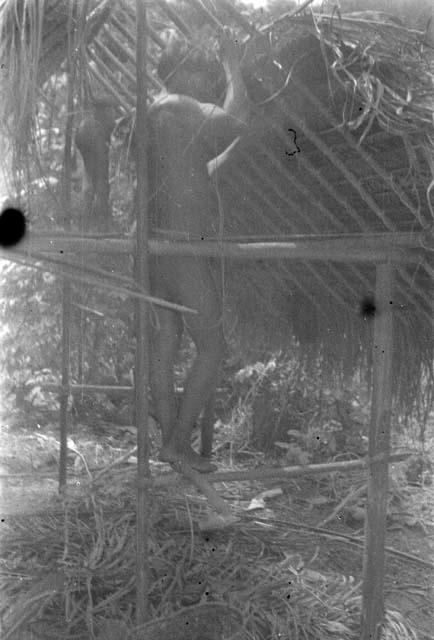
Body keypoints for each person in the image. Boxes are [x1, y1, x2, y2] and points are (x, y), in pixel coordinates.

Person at [147, 30, 249, 472]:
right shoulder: (180, 106)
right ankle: (176, 443)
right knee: (212, 347)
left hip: (152, 248)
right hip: (182, 246)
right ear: (181, 71)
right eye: (197, 69)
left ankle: (172, 445)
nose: (202, 79)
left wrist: (232, 153)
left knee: (165, 344)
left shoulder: (153, 113)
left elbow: (194, 173)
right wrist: (233, 66)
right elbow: (237, 116)